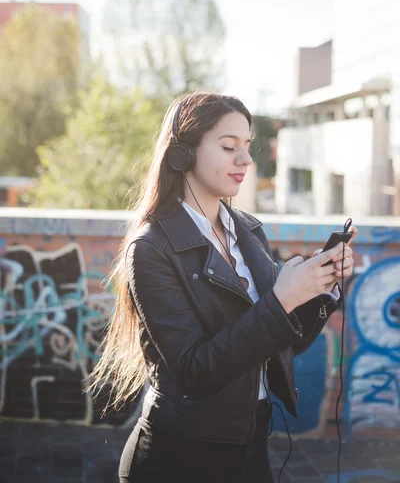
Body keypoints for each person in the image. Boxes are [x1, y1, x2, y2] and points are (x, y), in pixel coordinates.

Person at [90, 92, 356, 483]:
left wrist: (318, 289)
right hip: (180, 456)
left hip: (251, 450)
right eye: (229, 146)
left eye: (247, 146)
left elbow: (280, 342)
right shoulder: (150, 250)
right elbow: (197, 371)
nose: (246, 159)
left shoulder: (247, 231)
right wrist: (282, 299)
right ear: (183, 154)